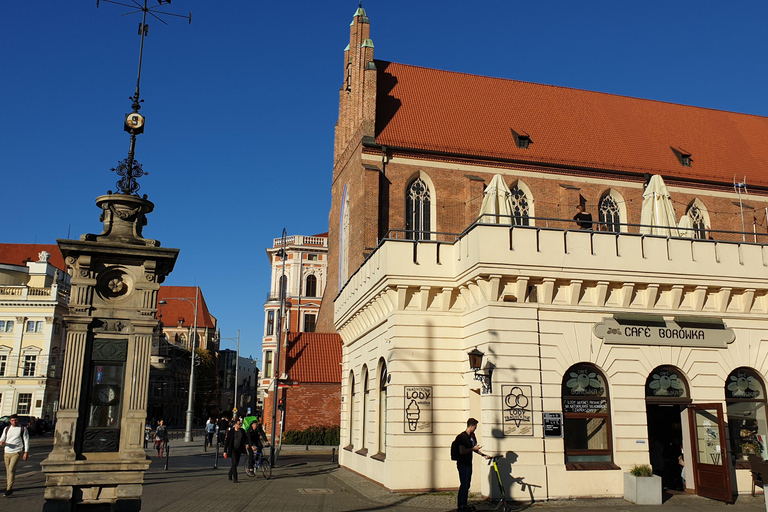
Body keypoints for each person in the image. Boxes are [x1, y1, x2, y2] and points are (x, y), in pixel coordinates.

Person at [454, 418, 488, 512]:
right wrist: (473, 449)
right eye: (475, 427)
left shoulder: (471, 437)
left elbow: (474, 449)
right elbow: (462, 451)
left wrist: (483, 455)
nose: (476, 429)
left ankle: (464, 505)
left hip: (468, 464)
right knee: (464, 485)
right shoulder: (462, 437)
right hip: (462, 464)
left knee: (467, 485)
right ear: (471, 426)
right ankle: (460, 506)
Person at [0, 414, 30, 497]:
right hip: (7, 451)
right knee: (8, 471)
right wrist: (2, 442)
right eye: (13, 420)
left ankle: (9, 489)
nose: (14, 421)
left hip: (17, 451)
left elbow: (26, 440)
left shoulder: (23, 429)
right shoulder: (7, 429)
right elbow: (2, 438)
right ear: (10, 421)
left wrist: (26, 452)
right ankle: (9, 486)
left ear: (18, 420)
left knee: (11, 469)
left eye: (16, 420)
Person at [224, 418, 248, 483]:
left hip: (239, 449)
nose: (240, 425)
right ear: (235, 424)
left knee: (236, 463)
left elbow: (245, 439)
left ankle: (230, 473)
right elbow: (227, 442)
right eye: (239, 424)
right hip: (233, 450)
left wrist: (247, 444)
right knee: (234, 463)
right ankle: (235, 478)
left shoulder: (242, 431)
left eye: (240, 424)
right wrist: (225, 451)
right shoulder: (231, 432)